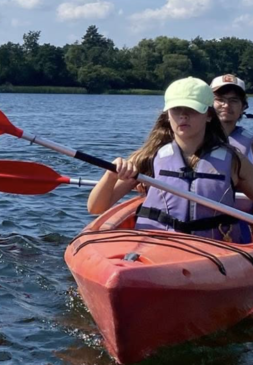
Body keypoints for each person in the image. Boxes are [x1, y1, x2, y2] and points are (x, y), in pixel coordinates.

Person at [86, 77, 253, 243]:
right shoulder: (148, 156)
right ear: (167, 115)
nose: (183, 116)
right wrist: (111, 175)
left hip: (213, 250)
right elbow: (96, 208)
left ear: (209, 115)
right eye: (176, 109)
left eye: (192, 110)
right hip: (157, 245)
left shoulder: (233, 160)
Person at [211, 74, 253, 161]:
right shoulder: (194, 139)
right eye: (220, 99)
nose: (226, 105)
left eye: (233, 100)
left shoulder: (251, 145)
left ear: (243, 107)